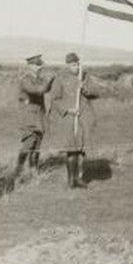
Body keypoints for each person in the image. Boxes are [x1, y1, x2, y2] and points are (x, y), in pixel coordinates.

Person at [48, 53, 101, 189]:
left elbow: (96, 92)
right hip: (69, 118)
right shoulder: (60, 78)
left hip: (83, 118)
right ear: (67, 65)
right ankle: (71, 180)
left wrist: (85, 88)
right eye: (73, 65)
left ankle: (78, 178)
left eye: (77, 64)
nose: (76, 67)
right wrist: (68, 109)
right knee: (71, 149)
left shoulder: (84, 76)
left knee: (80, 149)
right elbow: (54, 99)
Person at [15, 54, 52, 178]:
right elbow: (37, 90)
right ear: (29, 66)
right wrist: (49, 82)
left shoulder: (39, 79)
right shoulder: (25, 80)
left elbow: (45, 88)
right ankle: (18, 170)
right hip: (29, 118)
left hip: (39, 118)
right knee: (29, 144)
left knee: (37, 146)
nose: (40, 67)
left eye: (40, 65)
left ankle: (33, 171)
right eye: (37, 65)